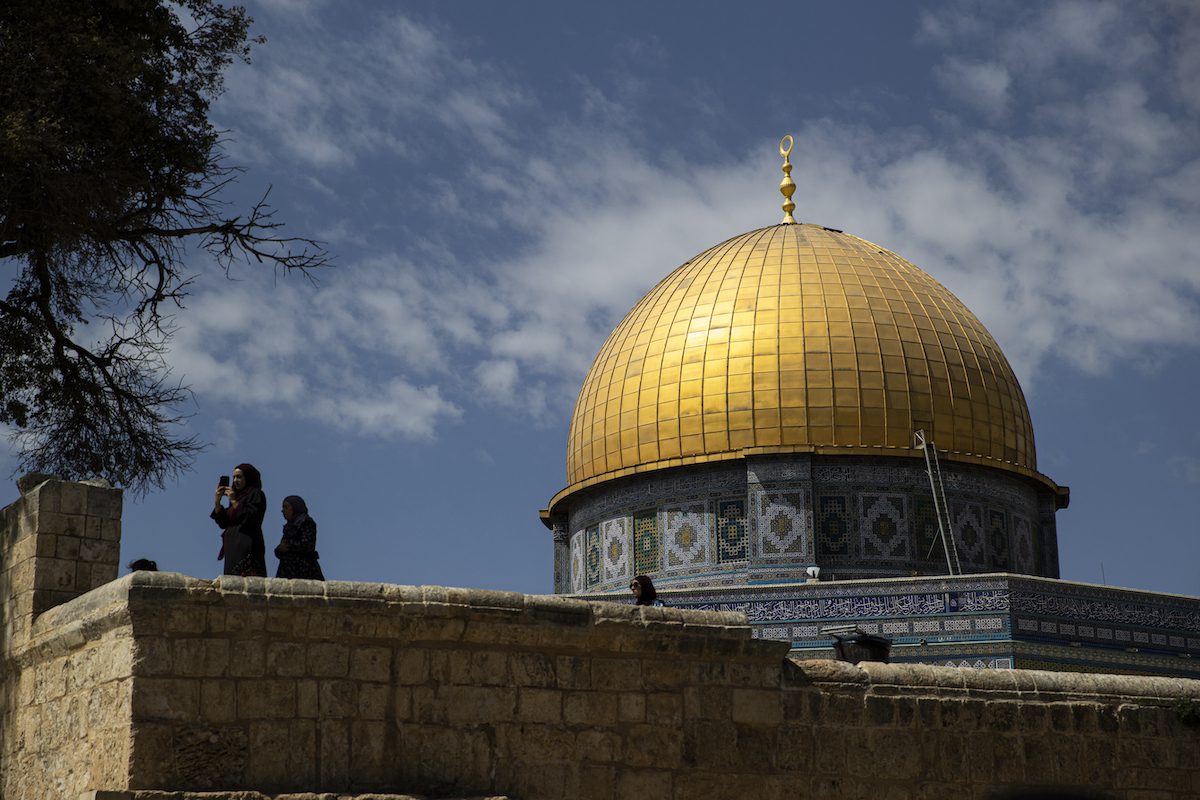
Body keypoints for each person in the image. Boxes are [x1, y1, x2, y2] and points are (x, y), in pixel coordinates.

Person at [210, 463, 267, 577]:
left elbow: (251, 517)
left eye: (239, 477)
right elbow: (224, 522)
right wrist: (217, 502)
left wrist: (234, 501)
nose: (236, 480)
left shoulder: (256, 494)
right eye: (234, 477)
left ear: (248, 478)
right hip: (232, 549)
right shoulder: (237, 497)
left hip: (247, 547)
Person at [274, 495, 325, 580]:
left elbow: (307, 544)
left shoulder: (306, 522)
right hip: (287, 571)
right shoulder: (289, 527)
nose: (283, 511)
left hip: (303, 570)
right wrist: (278, 550)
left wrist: (288, 546)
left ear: (295, 507)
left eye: (286, 507)